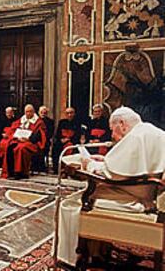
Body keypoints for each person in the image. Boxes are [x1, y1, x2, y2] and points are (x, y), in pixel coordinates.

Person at [58, 106, 165, 266]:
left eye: (112, 130)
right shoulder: (152, 132)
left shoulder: (135, 137)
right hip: (146, 192)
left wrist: (89, 164)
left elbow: (112, 174)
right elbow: (126, 167)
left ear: (122, 123)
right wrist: (104, 161)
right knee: (95, 191)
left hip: (135, 197)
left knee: (71, 203)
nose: (113, 135)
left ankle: (71, 257)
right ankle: (98, 250)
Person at [1, 104, 47, 179]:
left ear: (33, 112)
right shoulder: (21, 120)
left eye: (30, 111)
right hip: (19, 140)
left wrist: (28, 139)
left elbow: (39, 136)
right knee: (10, 147)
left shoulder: (39, 122)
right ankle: (10, 172)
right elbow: (13, 130)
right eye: (26, 112)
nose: (28, 113)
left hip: (32, 143)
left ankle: (20, 173)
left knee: (20, 148)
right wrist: (17, 137)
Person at [52, 107, 82, 173]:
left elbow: (77, 135)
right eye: (67, 113)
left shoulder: (77, 123)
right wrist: (61, 140)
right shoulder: (62, 122)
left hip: (72, 141)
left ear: (74, 114)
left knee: (70, 148)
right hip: (62, 141)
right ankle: (57, 169)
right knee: (55, 148)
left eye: (71, 113)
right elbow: (57, 134)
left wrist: (68, 139)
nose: (69, 115)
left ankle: (67, 170)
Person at [37, 105, 54, 171]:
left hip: (45, 140)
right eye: (42, 112)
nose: (43, 114)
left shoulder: (50, 122)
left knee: (44, 147)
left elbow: (50, 133)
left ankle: (42, 166)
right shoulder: (35, 120)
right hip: (36, 140)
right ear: (38, 112)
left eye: (45, 113)